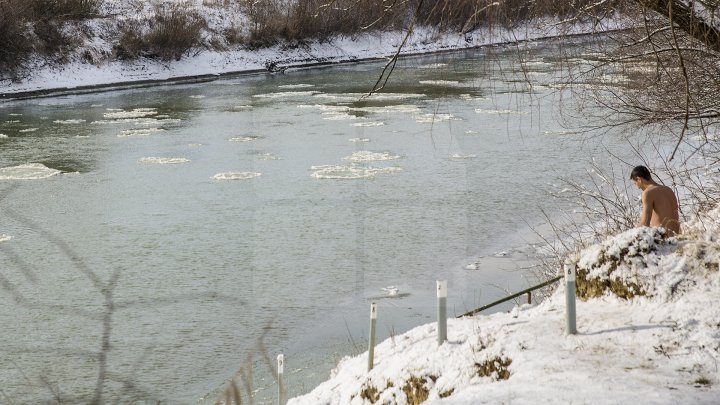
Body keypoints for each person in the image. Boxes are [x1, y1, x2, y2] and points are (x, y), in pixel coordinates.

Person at [630, 165, 681, 236]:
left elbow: (645, 223)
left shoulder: (648, 193)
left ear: (639, 179)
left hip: (664, 240)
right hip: (678, 237)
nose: (637, 187)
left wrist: (630, 235)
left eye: (635, 183)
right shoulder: (668, 189)